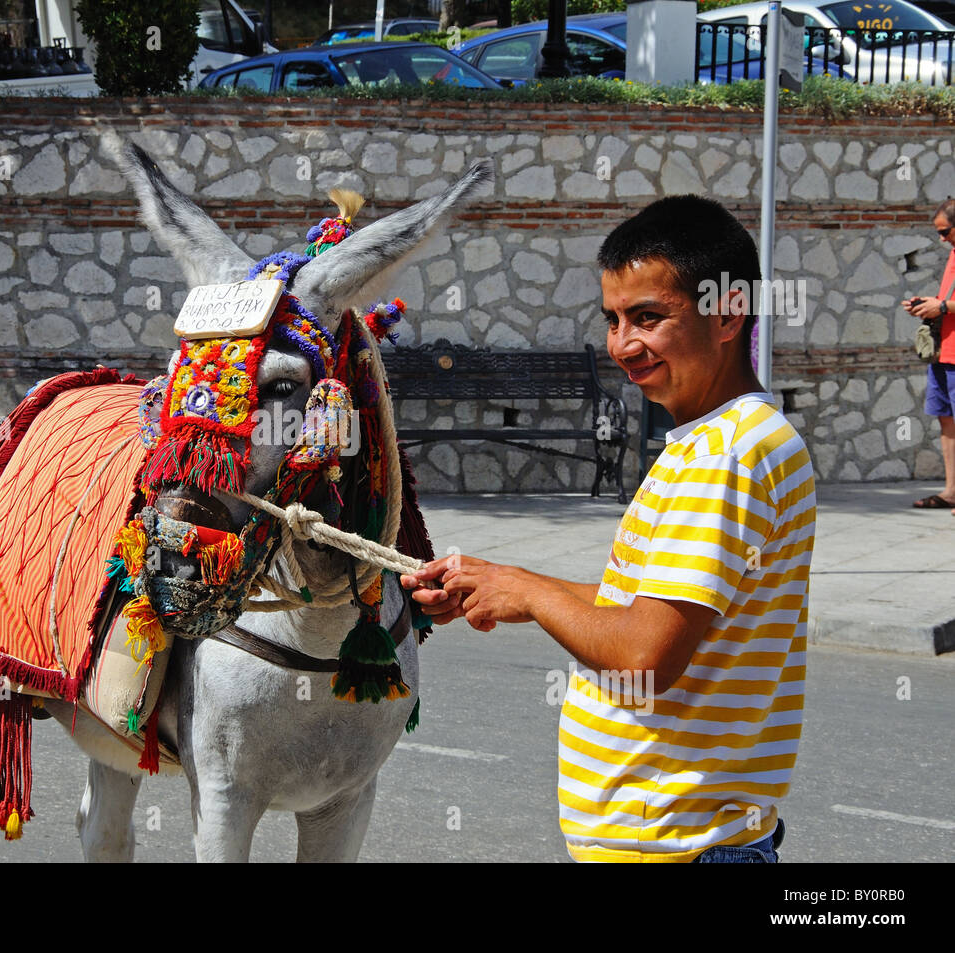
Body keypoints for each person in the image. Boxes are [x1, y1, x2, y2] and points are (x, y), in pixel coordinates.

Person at [403, 195, 816, 863]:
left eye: (649, 318)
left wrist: (532, 595)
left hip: (677, 847)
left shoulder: (725, 454)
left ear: (728, 314)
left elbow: (645, 655)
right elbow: (654, 608)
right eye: (614, 319)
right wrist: (505, 584)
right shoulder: (727, 439)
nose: (623, 344)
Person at [902, 198, 955, 509]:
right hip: (943, 352)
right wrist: (928, 303)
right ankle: (951, 491)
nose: (941, 238)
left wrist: (943, 306)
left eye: (945, 231)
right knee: (946, 422)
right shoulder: (952, 255)